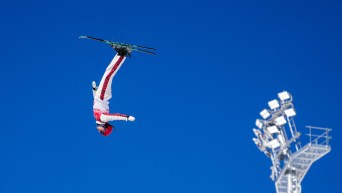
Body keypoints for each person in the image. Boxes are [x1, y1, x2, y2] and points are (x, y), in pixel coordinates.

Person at [92, 47, 135, 136]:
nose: (99, 131)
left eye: (100, 132)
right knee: (108, 74)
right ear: (105, 128)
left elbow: (96, 102)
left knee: (108, 73)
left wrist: (94, 91)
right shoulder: (103, 119)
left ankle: (120, 54)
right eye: (102, 131)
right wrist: (126, 118)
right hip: (103, 95)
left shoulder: (97, 118)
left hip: (100, 95)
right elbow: (115, 116)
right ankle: (123, 54)